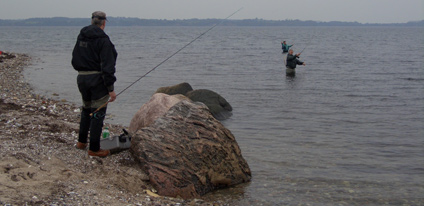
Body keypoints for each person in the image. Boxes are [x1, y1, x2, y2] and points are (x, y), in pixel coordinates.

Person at [71, 11, 117, 157]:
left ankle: (81, 142)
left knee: (86, 109)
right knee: (97, 113)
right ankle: (94, 149)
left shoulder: (81, 36)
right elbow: (108, 67)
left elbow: (74, 58)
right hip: (97, 81)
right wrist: (111, 89)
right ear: (103, 24)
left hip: (82, 78)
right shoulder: (104, 40)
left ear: (92, 22)